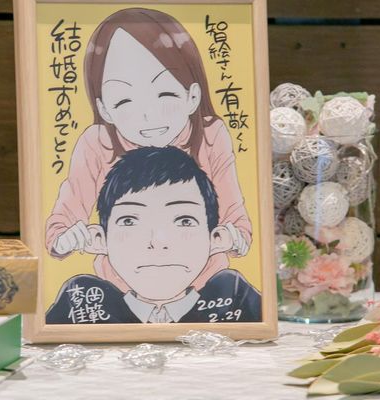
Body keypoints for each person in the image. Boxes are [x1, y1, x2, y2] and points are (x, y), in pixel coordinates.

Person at [46, 8, 253, 295]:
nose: (148, 116)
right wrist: (67, 239)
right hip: (122, 289)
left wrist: (232, 237)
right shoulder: (97, 142)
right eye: (124, 101)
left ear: (193, 96)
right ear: (104, 109)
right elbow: (62, 223)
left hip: (203, 288)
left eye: (166, 94)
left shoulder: (209, 134)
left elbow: (236, 220)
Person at [46, 147, 261, 324]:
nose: (158, 242)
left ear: (216, 239)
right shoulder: (80, 301)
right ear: (99, 240)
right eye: (129, 221)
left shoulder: (234, 297)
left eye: (184, 221)